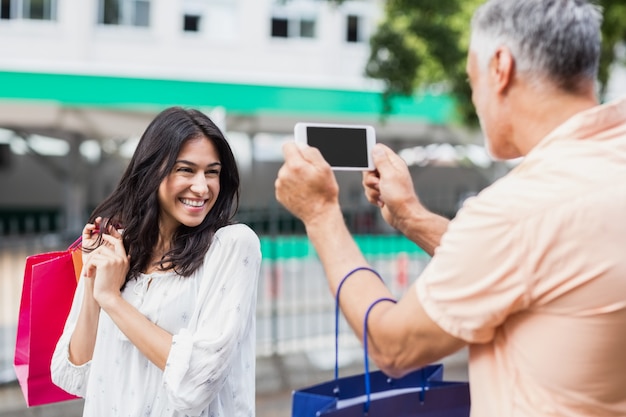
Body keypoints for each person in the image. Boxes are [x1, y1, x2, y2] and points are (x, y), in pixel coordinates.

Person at [274, 0, 626, 415]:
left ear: (500, 67)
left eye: (470, 78)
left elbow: (393, 345)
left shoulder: (518, 209)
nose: (475, 98)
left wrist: (320, 213)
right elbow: (532, 263)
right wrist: (411, 217)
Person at [51, 106, 262, 417]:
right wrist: (96, 280)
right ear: (152, 171)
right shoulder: (119, 250)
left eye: (212, 172)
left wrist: (112, 300)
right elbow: (78, 371)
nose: (202, 187)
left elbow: (197, 380)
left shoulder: (231, 246)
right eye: (186, 170)